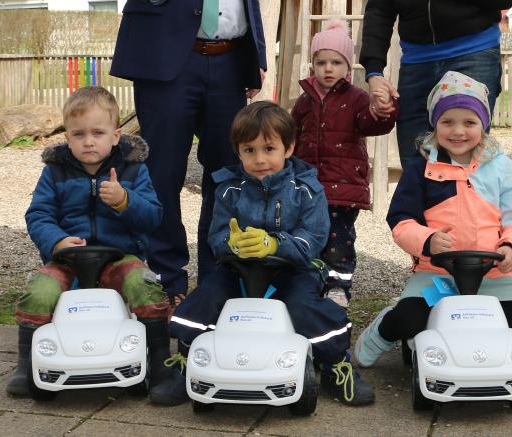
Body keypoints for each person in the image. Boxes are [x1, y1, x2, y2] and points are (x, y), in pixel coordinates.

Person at [151, 101, 376, 406]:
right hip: (239, 269)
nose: (260, 159)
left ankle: (336, 365)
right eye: (249, 150)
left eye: (269, 149)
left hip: (293, 269)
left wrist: (275, 244)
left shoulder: (308, 189)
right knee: (205, 296)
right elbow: (215, 235)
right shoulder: (228, 189)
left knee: (304, 307)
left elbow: (315, 237)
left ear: (289, 147)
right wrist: (231, 244)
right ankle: (186, 360)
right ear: (238, 151)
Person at [354, 71, 512, 374]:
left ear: (483, 125)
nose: (458, 131)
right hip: (437, 276)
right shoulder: (421, 168)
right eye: (448, 122)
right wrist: (427, 241)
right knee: (409, 319)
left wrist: (511, 248)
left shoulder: (499, 166)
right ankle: (383, 328)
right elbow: (401, 221)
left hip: (493, 276)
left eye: (469, 123)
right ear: (435, 124)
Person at [7, 86, 171, 398]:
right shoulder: (55, 173)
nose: (88, 141)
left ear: (116, 135)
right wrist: (56, 242)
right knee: (39, 291)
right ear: (67, 137)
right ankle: (26, 363)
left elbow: (153, 217)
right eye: (78, 134)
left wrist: (125, 201)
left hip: (119, 256)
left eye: (98, 132)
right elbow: (39, 214)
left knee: (144, 285)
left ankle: (160, 361)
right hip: (68, 257)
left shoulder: (134, 170)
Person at [110, 0, 267, 311]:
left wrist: (257, 52)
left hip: (232, 56)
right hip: (164, 53)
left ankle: (217, 280)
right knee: (162, 173)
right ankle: (166, 281)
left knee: (228, 177)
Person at [291, 19, 397, 308]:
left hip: (343, 188)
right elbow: (291, 135)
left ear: (348, 67)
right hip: (308, 187)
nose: (328, 68)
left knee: (339, 241)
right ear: (312, 64)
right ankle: (311, 283)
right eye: (321, 61)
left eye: (336, 62)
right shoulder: (305, 100)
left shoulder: (357, 99)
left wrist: (382, 112)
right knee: (309, 237)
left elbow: (371, 125)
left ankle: (338, 286)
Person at [360, 0, 512, 167]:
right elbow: (379, 8)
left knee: (465, 161)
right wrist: (374, 70)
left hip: (473, 49)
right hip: (416, 60)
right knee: (414, 162)